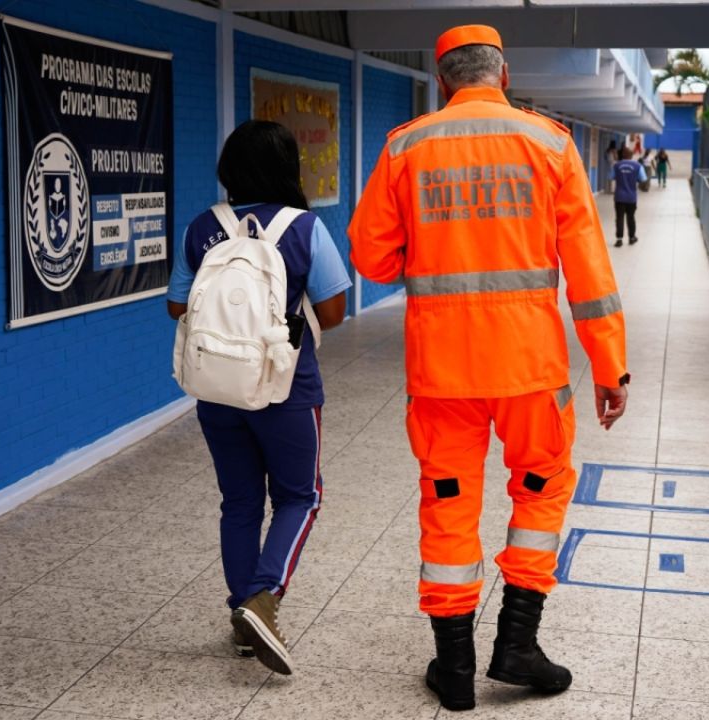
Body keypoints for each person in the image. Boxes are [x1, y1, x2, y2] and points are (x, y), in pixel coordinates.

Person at [349, 24, 629, 712]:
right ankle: (517, 645)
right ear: (503, 77)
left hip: (442, 372)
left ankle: (453, 669)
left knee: (448, 504)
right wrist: (610, 369)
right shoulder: (551, 145)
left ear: (443, 82)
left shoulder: (407, 146)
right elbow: (591, 277)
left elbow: (370, 258)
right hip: (530, 368)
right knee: (539, 490)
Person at [166, 120, 352, 675]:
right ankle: (263, 599)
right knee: (300, 496)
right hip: (287, 387)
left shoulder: (201, 228)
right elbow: (336, 312)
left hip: (217, 390)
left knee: (240, 501)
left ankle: (241, 618)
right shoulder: (305, 228)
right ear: (287, 168)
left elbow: (178, 307)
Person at [611, 147, 646, 247]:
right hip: (631, 197)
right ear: (631, 155)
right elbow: (643, 179)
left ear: (622, 155)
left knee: (619, 218)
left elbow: (611, 177)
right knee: (631, 217)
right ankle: (631, 238)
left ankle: (619, 239)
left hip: (619, 197)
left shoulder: (616, 165)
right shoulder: (638, 166)